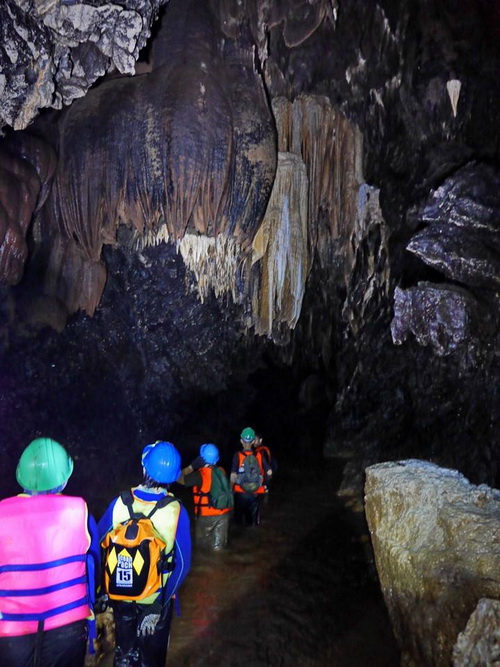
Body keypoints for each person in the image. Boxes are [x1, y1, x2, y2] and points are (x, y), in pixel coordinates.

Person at [0, 437, 100, 667]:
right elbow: (93, 564)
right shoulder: (79, 511)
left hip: (12, 629)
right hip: (67, 626)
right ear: (64, 479)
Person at [98, 440, 191, 667]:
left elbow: (96, 548)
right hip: (154, 600)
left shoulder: (119, 503)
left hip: (121, 596)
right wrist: (159, 604)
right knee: (151, 660)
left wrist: (100, 592)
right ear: (173, 477)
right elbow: (183, 565)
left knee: (125, 653)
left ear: (144, 468)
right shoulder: (176, 511)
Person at [178, 443, 232, 550]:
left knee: (203, 549)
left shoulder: (199, 475)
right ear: (217, 459)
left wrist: (191, 467)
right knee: (218, 550)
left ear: (201, 459)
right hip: (223, 516)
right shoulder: (221, 471)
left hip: (206, 517)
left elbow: (176, 477)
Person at [230, 427, 273, 526]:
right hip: (255, 493)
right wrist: (266, 485)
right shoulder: (259, 455)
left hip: (240, 493)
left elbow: (233, 475)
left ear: (241, 441)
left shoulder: (237, 455)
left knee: (238, 524)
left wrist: (230, 489)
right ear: (253, 441)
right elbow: (269, 472)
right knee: (252, 524)